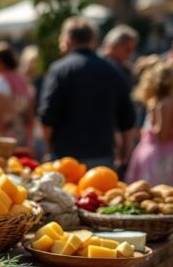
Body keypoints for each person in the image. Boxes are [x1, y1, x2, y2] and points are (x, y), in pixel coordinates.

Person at [38, 17, 136, 168]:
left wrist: (48, 148)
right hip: (103, 156)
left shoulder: (59, 70)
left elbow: (47, 116)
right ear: (93, 40)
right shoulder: (112, 70)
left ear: (68, 39)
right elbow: (127, 118)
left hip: (66, 157)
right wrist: (125, 154)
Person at [127, 59, 173, 267]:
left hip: (159, 160)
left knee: (153, 220)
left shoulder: (163, 103)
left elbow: (162, 133)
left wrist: (149, 125)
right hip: (161, 158)